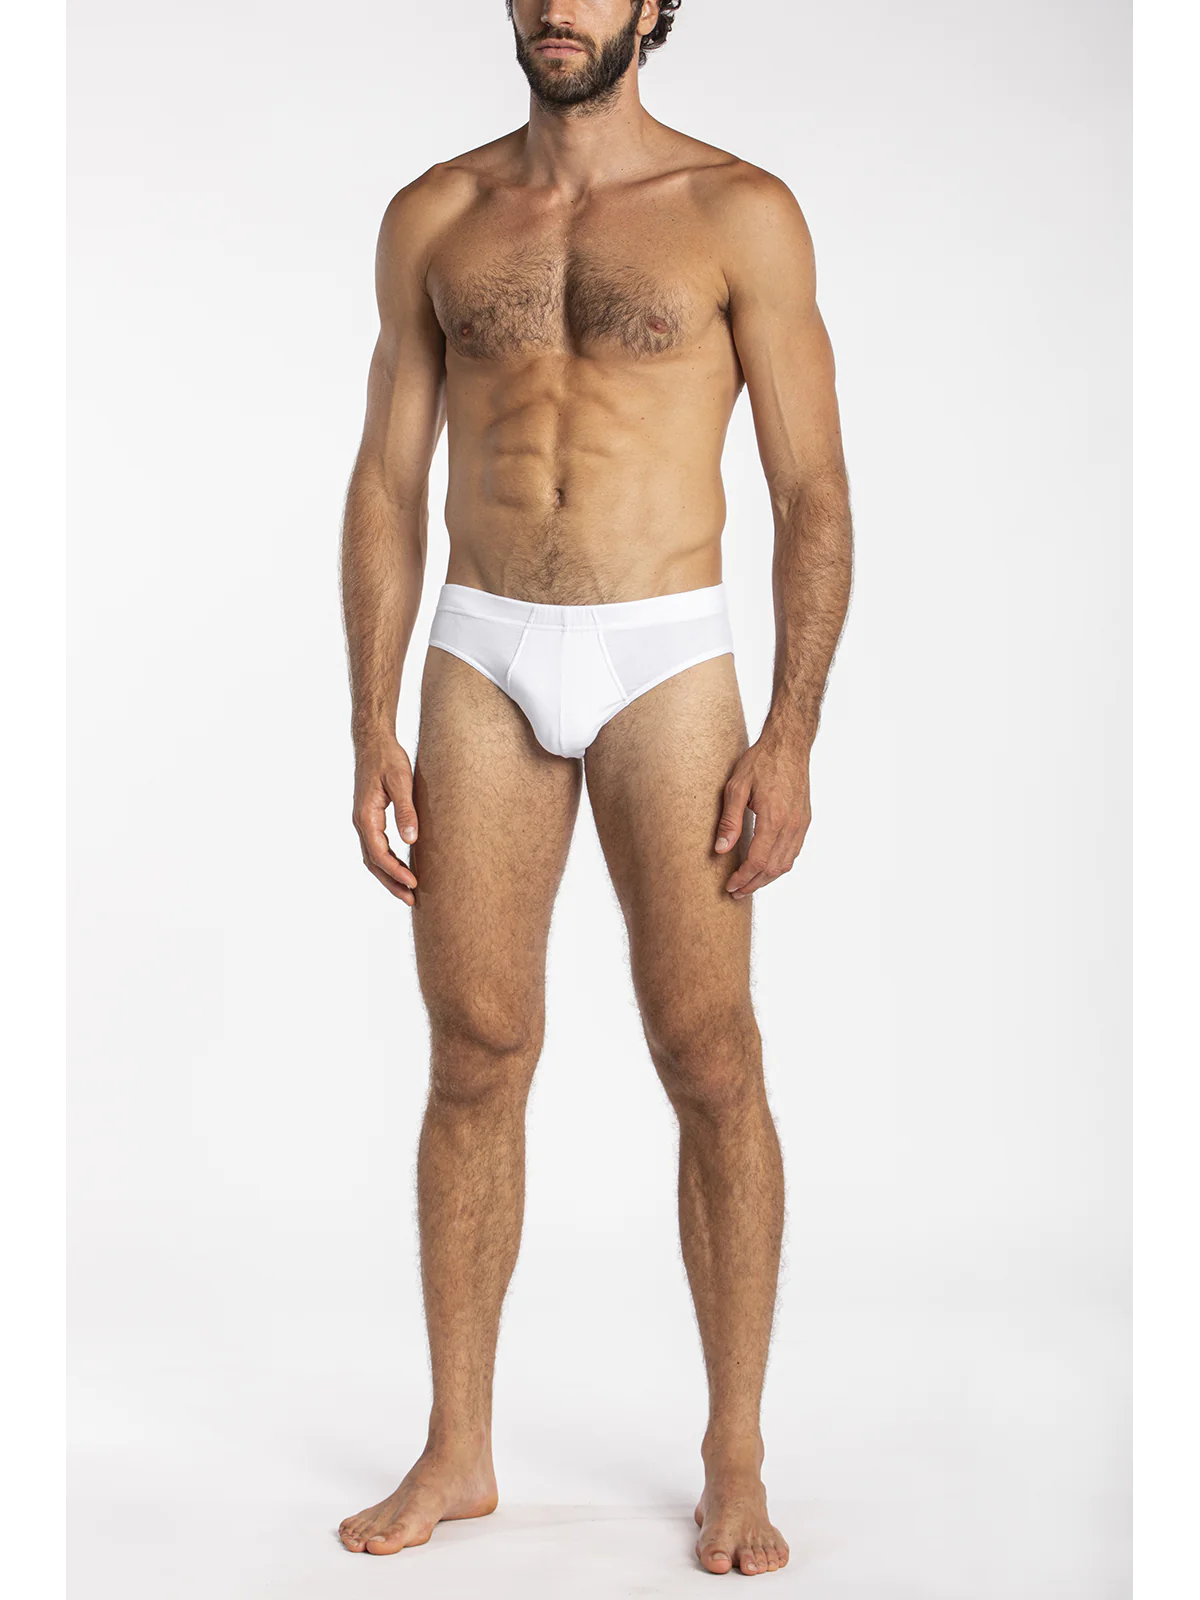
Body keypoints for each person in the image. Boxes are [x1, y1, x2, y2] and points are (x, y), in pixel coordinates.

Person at [337, 0, 852, 1578]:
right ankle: (459, 1447)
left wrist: (790, 733)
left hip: (664, 656)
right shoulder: (436, 212)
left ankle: (734, 1453)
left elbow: (813, 491)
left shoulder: (737, 210)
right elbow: (387, 479)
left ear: (655, 6)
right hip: (481, 649)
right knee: (475, 1050)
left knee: (709, 1055)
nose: (558, 5)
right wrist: (369, 718)